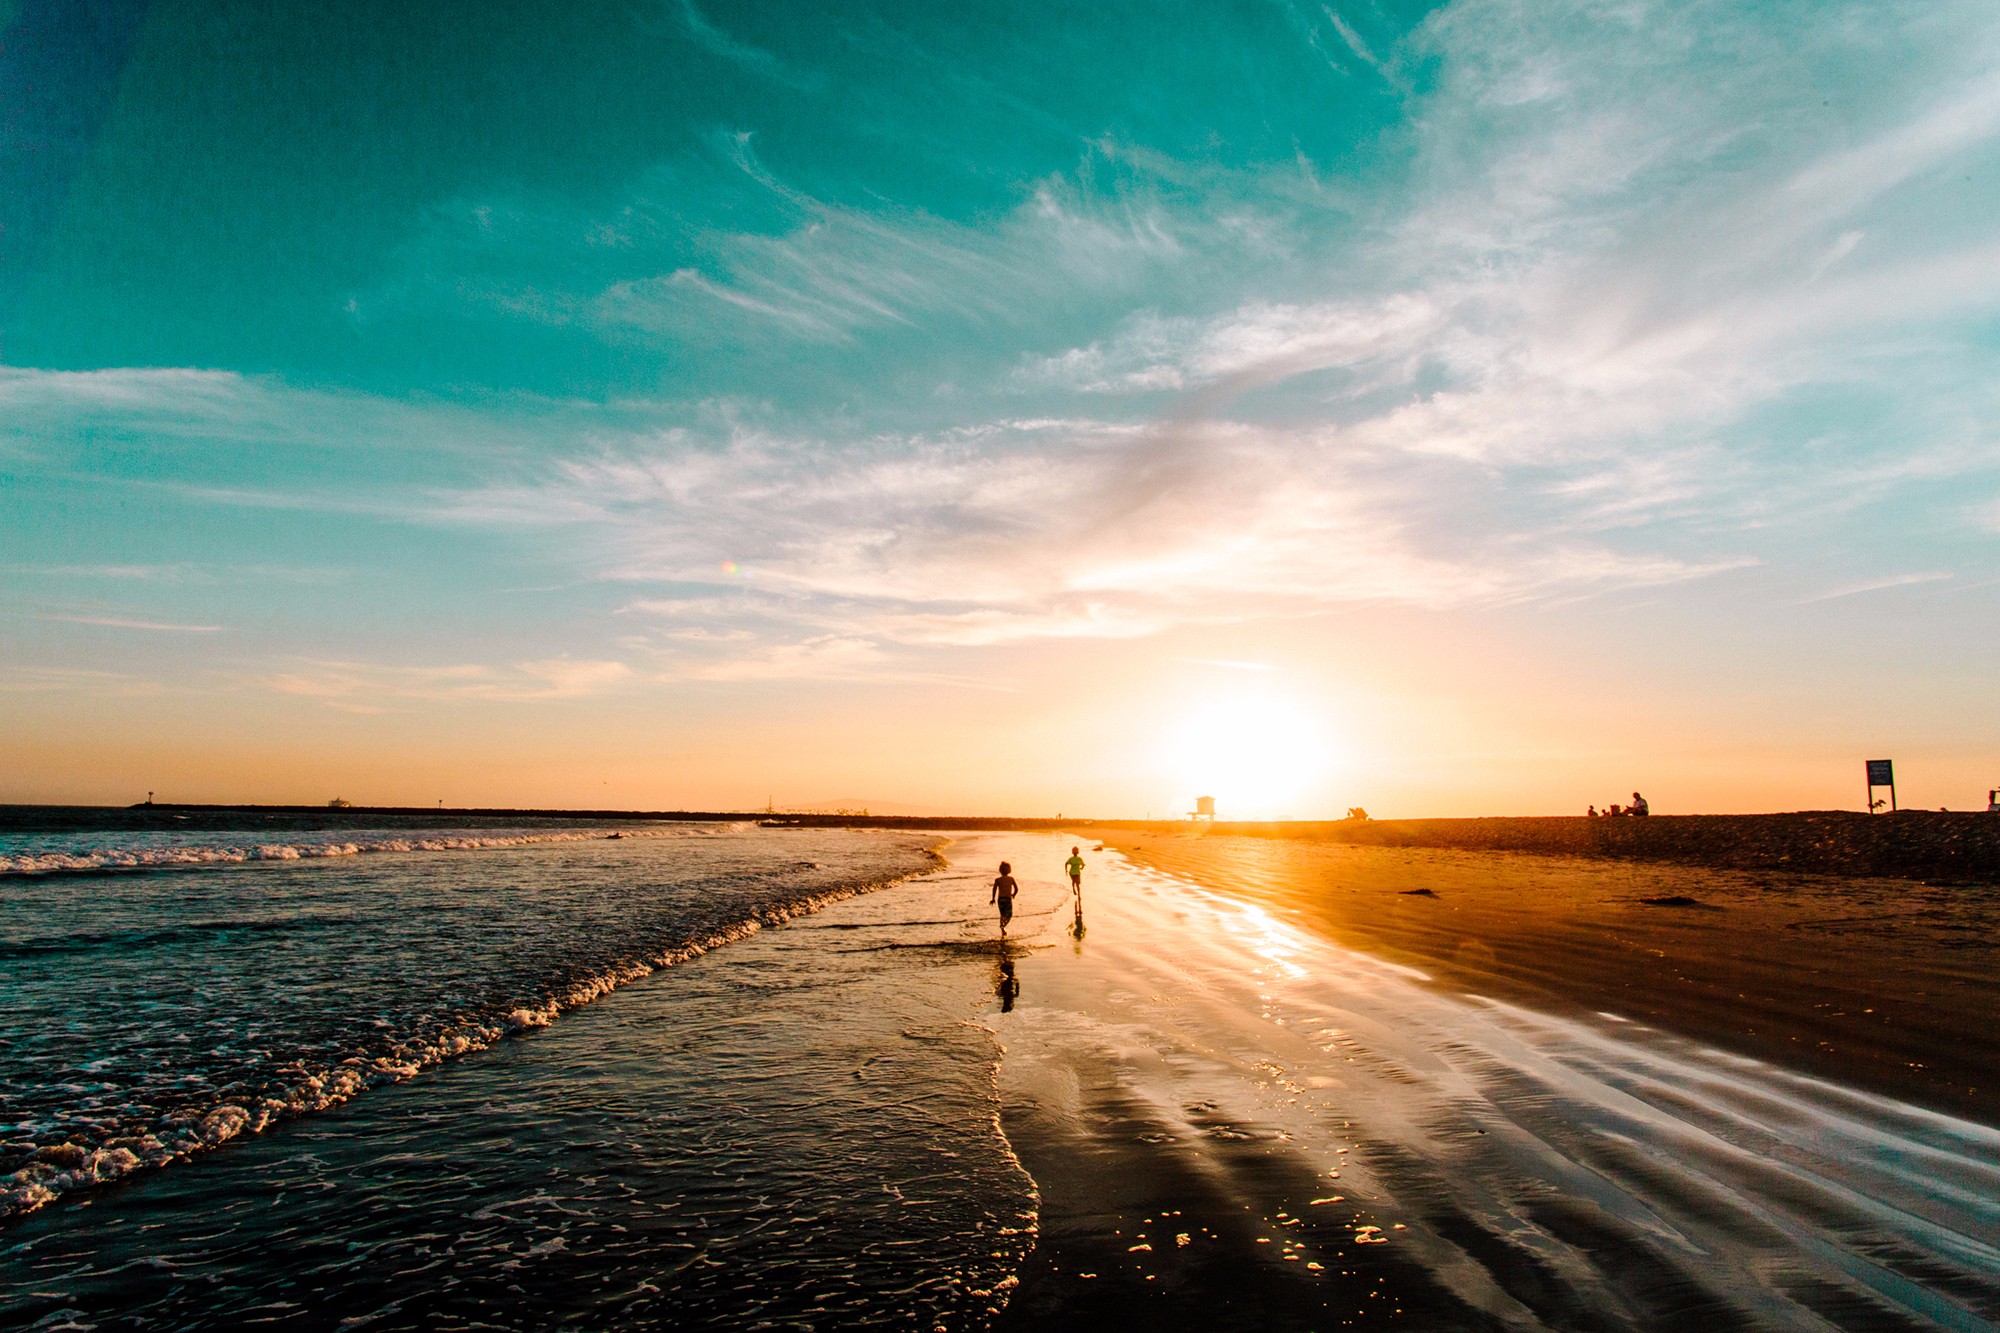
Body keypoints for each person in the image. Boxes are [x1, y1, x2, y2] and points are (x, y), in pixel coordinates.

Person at [991, 861, 1020, 935]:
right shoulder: (1011, 879)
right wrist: (1013, 894)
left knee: (1002, 915)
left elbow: (994, 889)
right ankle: (1003, 927)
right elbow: (1016, 889)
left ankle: (1002, 928)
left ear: (1000, 870)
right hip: (1007, 899)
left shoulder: (998, 880)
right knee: (1009, 915)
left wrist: (993, 898)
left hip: (1000, 899)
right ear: (1009, 870)